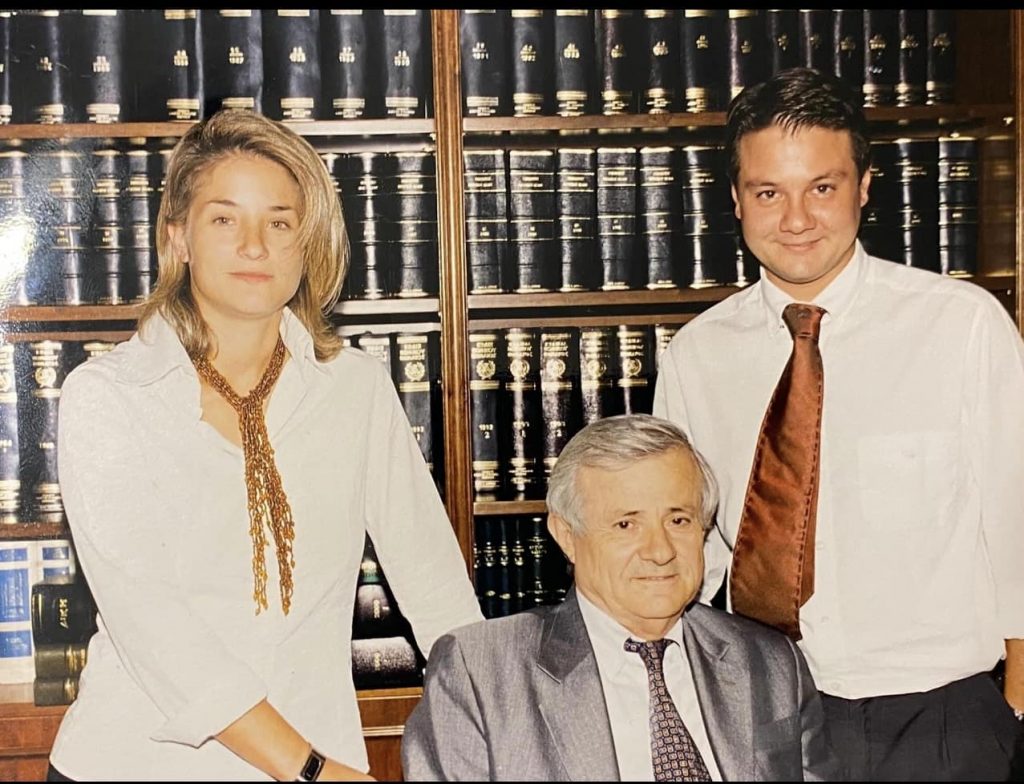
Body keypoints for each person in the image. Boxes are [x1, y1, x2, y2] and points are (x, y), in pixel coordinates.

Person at [47, 110, 483, 781]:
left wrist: (498, 728)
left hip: (320, 756)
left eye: (279, 223)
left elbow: (434, 585)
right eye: (224, 219)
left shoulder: (357, 388)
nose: (254, 246)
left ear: (307, 243)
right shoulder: (107, 396)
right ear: (178, 237)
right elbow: (154, 627)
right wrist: (310, 771)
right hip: (137, 766)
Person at [654, 66, 1024, 780]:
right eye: (769, 192)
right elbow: (690, 548)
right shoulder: (697, 354)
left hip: (941, 717)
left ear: (863, 187)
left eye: (822, 188)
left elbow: (1018, 520)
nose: (796, 220)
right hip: (765, 713)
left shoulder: (963, 326)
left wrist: (1015, 706)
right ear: (735, 199)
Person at [401, 414, 837, 781]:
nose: (660, 551)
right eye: (626, 525)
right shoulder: (480, 673)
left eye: (679, 520)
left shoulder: (770, 663)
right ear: (566, 536)